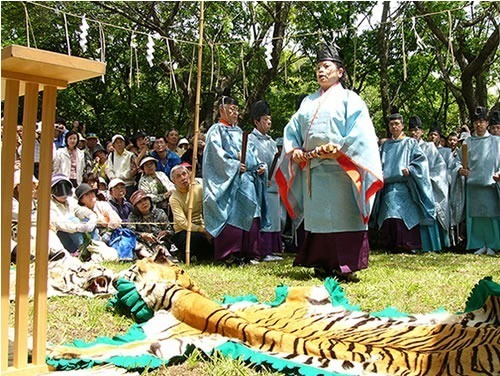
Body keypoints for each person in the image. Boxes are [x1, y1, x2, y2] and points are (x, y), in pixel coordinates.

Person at [277, 44, 383, 282]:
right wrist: (293, 149)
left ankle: (344, 265)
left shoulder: (350, 99)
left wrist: (340, 149)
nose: (321, 71)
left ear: (340, 71)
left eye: (326, 66)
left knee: (342, 215)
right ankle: (321, 263)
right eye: (318, 68)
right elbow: (292, 130)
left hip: (341, 170)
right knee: (318, 219)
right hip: (313, 171)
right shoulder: (308, 101)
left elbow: (362, 134)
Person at [203, 95, 269, 265]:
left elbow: (251, 153)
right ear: (221, 110)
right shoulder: (215, 131)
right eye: (231, 109)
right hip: (229, 182)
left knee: (251, 215)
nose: (234, 113)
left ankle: (250, 252)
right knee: (232, 217)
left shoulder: (240, 132)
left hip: (247, 181)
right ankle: (229, 253)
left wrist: (260, 166)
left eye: (236, 110)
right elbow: (215, 156)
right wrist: (233, 166)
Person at [376, 110, 435, 253]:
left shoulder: (411, 143)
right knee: (389, 215)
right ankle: (392, 244)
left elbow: (421, 161)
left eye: (397, 124)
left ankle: (408, 245)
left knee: (404, 215)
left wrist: (411, 169)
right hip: (388, 186)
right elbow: (378, 163)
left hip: (405, 186)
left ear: (402, 126)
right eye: (391, 124)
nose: (394, 127)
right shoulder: (385, 145)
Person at [451, 106, 500, 255]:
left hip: (490, 184)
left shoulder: (497, 142)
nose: (479, 125)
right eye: (476, 122)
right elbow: (457, 161)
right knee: (475, 217)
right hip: (472, 186)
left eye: (482, 121)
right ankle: (477, 243)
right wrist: (460, 169)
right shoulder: (468, 142)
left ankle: (493, 244)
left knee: (492, 216)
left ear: (487, 123)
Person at [408, 115, 450, 251]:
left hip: (428, 187)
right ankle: (414, 245)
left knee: (428, 215)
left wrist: (425, 179)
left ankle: (432, 245)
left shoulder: (429, 148)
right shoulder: (405, 147)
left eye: (417, 130)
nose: (414, 133)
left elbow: (440, 168)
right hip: (412, 188)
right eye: (411, 130)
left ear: (422, 132)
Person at [248, 100, 283, 261]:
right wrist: (260, 171)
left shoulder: (271, 142)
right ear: (256, 121)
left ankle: (272, 249)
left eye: (270, 120)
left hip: (273, 183)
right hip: (258, 184)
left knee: (275, 216)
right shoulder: (250, 140)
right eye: (265, 120)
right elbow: (250, 161)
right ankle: (261, 250)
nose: (268, 123)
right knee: (262, 216)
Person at [169, 165, 213, 262]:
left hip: (202, 226)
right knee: (197, 238)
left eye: (184, 174)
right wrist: (202, 230)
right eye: (178, 176)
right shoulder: (174, 198)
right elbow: (182, 223)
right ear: (174, 181)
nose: (183, 178)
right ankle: (184, 254)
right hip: (184, 231)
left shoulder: (199, 189)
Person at [49, 174, 98, 255]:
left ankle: (95, 246)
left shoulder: (71, 201)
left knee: (86, 220)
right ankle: (83, 250)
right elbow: (59, 223)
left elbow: (82, 211)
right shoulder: (50, 205)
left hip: (76, 233)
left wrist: (92, 218)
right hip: (62, 236)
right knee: (73, 219)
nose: (64, 195)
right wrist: (77, 227)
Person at [127, 189, 176, 260]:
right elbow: (130, 232)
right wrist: (142, 235)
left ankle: (164, 257)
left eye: (145, 200)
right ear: (136, 206)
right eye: (139, 202)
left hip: (159, 242)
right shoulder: (133, 216)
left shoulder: (160, 213)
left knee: (161, 247)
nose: (144, 203)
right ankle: (150, 258)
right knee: (138, 246)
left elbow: (171, 231)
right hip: (142, 243)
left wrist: (166, 233)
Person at [105, 134, 137, 199]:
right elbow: (109, 169)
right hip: (115, 185)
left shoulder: (130, 155)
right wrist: (112, 177)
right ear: (113, 145)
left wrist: (117, 177)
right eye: (116, 143)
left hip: (128, 185)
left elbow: (131, 172)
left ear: (124, 144)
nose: (119, 144)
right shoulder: (111, 156)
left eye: (121, 142)